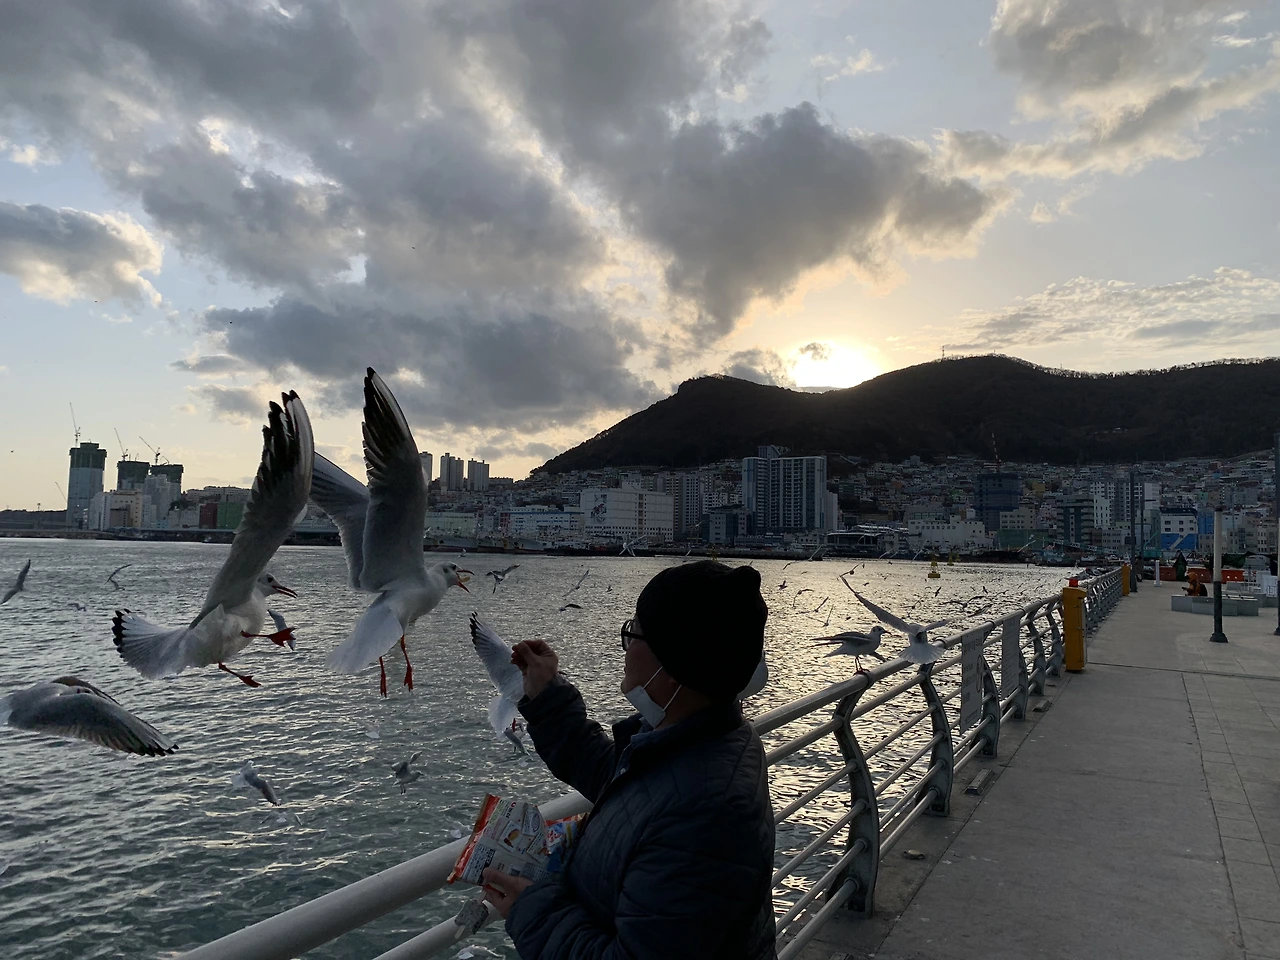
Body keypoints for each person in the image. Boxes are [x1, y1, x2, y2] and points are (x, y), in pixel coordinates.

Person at [482, 560, 775, 959]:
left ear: (673, 666)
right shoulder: (703, 739)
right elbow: (620, 782)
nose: (625, 646)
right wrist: (547, 696)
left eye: (634, 632)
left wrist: (530, 908)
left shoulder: (706, 813)